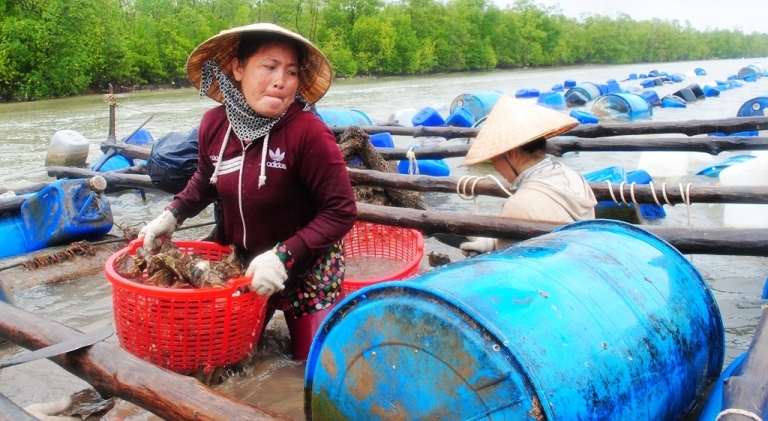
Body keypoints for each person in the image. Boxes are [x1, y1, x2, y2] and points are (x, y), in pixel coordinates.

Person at [138, 23, 357, 360]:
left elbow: (341, 211)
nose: (280, 80)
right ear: (238, 68)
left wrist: (283, 256)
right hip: (246, 262)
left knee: (307, 365)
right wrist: (172, 215)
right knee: (229, 357)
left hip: (307, 264)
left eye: (291, 72)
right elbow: (205, 179)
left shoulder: (308, 132)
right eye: (268, 67)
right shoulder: (214, 125)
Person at [459, 95, 597, 256]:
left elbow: (509, 264)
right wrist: (493, 243)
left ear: (511, 153)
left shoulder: (518, 206)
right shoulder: (573, 176)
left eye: (493, 158)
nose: (495, 167)